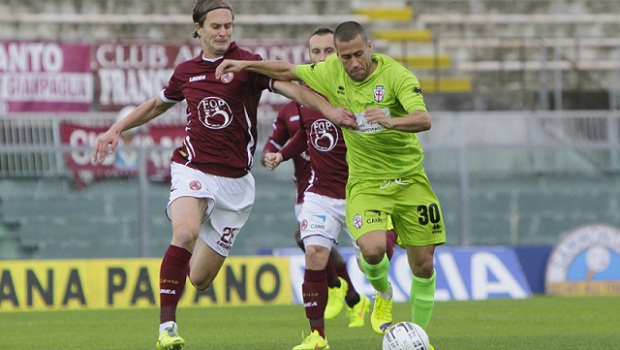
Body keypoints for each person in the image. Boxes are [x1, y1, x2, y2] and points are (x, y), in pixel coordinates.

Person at [92, 2, 354, 350]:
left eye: (228, 25)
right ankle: (167, 329)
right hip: (193, 167)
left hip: (236, 185)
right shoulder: (187, 71)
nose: (223, 32)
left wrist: (328, 109)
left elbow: (294, 89)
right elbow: (157, 105)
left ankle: (174, 274)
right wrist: (116, 128)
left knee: (199, 279)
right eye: (215, 26)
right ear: (198, 28)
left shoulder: (247, 64)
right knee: (184, 232)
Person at [216, 20, 445, 347]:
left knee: (423, 265)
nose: (353, 64)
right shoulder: (329, 73)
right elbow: (287, 71)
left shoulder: (397, 76)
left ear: (370, 48)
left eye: (357, 55)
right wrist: (245, 64)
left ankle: (421, 340)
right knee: (371, 248)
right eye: (345, 57)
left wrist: (390, 120)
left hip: (411, 181)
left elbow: (423, 119)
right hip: (365, 183)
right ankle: (381, 293)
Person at [262, 27, 382, 349]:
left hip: (362, 191)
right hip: (321, 191)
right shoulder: (306, 95)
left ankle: (375, 297)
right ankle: (317, 338)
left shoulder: (361, 88)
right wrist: (281, 154)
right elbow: (306, 131)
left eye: (328, 51)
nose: (322, 58)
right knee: (313, 251)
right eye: (315, 53)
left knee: (371, 259)